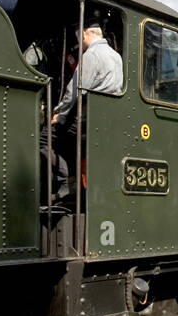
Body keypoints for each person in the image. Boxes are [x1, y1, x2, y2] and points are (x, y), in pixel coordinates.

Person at [42, 24, 123, 194]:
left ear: (85, 34)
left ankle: (66, 180)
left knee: (45, 137)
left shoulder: (91, 55)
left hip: (87, 119)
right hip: (107, 119)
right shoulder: (116, 57)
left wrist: (59, 114)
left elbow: (75, 89)